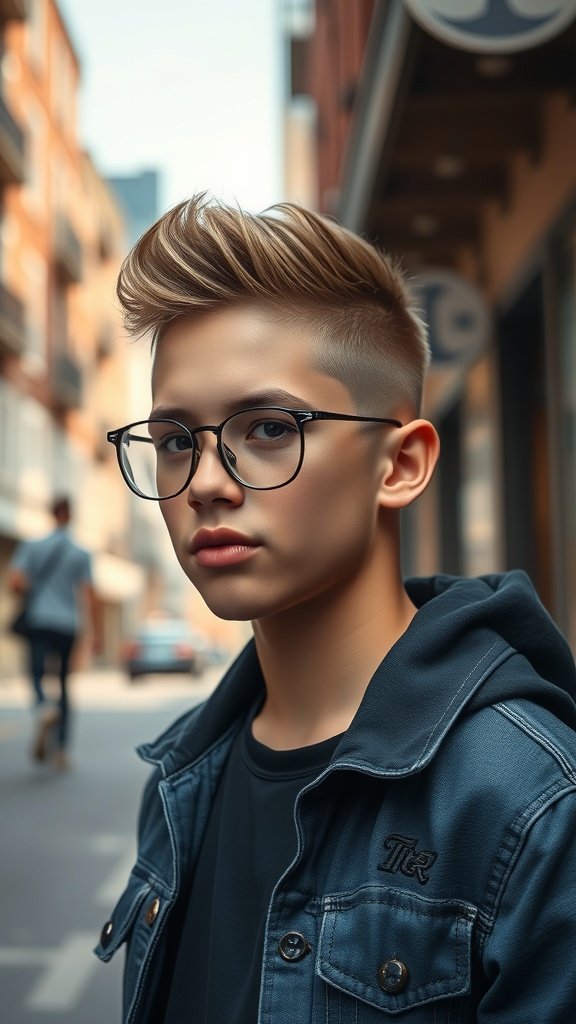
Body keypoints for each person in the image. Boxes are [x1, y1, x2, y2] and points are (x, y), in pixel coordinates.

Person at [96, 195, 576, 1023]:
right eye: (175, 440)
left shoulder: (526, 802)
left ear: (401, 465)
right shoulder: (181, 778)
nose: (207, 481)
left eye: (269, 427)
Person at [9, 496, 98, 770]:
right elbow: (89, 595)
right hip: (68, 624)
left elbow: (16, 582)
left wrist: (32, 588)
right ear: (70, 516)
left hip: (39, 620)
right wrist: (94, 633)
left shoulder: (33, 546)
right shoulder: (80, 552)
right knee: (63, 684)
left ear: (51, 514)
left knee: (36, 672)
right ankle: (60, 751)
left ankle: (42, 707)